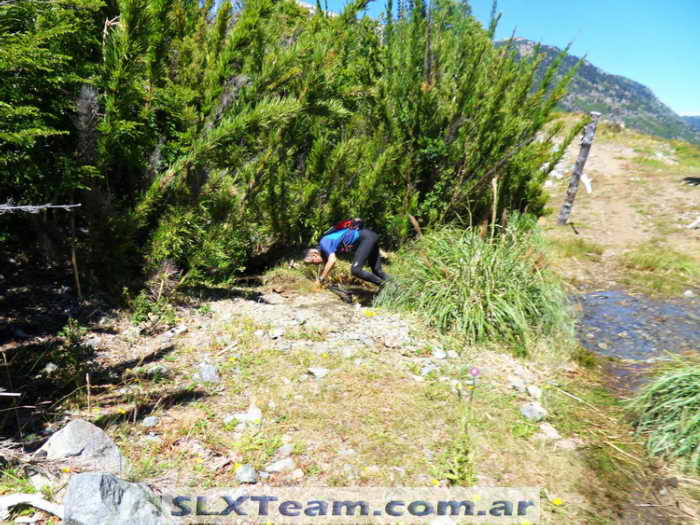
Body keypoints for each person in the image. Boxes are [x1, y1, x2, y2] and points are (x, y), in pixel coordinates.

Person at [303, 221, 390, 288]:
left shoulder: (324, 242)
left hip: (366, 238)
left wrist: (321, 279)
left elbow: (332, 261)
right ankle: (395, 285)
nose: (315, 264)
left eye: (313, 262)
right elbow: (328, 265)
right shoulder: (324, 249)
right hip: (369, 236)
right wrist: (325, 279)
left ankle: (385, 286)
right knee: (377, 270)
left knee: (356, 270)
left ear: (314, 254)